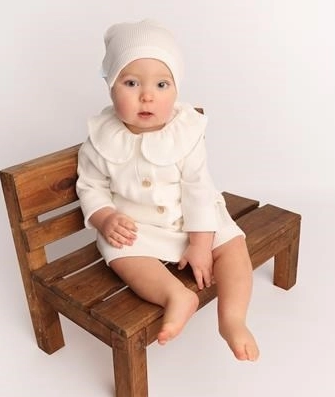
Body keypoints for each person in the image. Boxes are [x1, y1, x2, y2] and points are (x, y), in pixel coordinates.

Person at [76, 19, 259, 361]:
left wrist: (201, 244)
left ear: (176, 89)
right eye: (131, 83)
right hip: (140, 227)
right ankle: (176, 295)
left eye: (161, 84)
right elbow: (90, 186)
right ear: (110, 87)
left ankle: (232, 319)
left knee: (233, 247)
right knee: (119, 253)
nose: (147, 96)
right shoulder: (101, 139)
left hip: (195, 220)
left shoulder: (184, 132)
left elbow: (198, 188)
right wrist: (105, 218)